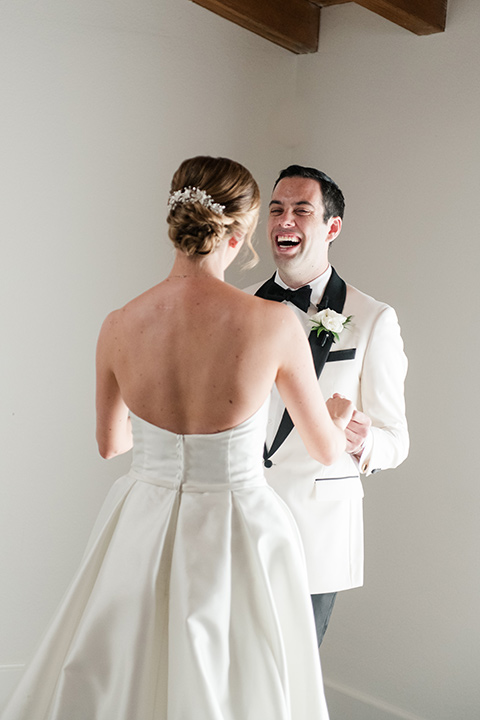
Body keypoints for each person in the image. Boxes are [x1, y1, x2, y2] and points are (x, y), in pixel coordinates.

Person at [1, 156, 355, 720]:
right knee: (235, 682)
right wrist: (337, 416)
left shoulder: (119, 323)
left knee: (130, 670)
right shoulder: (272, 323)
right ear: (239, 233)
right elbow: (324, 450)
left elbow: (110, 444)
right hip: (238, 524)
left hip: (144, 516)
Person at [247, 164, 409, 646]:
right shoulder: (240, 308)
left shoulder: (374, 319)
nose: (285, 221)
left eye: (301, 210)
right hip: (241, 513)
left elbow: (395, 440)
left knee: (293, 678)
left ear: (331, 227)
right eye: (276, 210)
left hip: (316, 529)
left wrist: (360, 437)